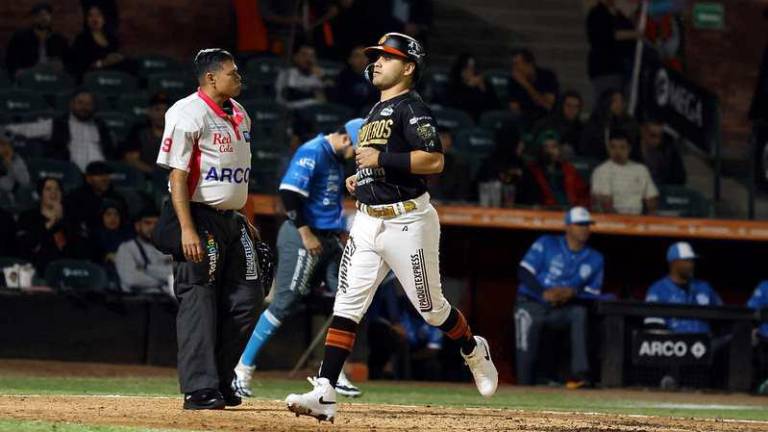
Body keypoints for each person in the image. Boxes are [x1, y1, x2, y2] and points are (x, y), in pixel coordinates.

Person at [285, 32, 498, 423]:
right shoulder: (373, 112)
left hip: (408, 222)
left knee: (432, 311)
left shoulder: (412, 108)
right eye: (376, 56)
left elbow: (434, 162)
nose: (377, 62)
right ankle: (325, 391)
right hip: (368, 219)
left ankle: (471, 348)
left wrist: (381, 162)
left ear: (409, 66)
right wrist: (361, 179)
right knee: (346, 305)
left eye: (388, 57)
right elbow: (377, 162)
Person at [150, 48, 264, 410]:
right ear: (211, 77)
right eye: (233, 72)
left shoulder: (241, 113)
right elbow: (178, 175)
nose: (239, 77)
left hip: (232, 219)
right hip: (197, 217)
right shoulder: (186, 112)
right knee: (198, 298)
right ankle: (200, 388)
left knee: (249, 299)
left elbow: (239, 173)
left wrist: (245, 216)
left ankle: (218, 376)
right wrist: (187, 229)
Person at [232, 118, 364, 399]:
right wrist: (306, 234)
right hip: (303, 236)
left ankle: (332, 373)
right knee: (285, 301)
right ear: (345, 139)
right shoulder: (313, 150)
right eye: (357, 148)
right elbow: (289, 194)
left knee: (349, 297)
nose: (358, 155)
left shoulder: (339, 160)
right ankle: (241, 369)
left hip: (328, 238)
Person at [515, 207, 603, 389]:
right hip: (532, 302)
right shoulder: (548, 243)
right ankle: (523, 385)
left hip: (562, 308)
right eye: (580, 224)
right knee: (526, 324)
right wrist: (543, 293)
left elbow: (593, 293)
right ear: (568, 226)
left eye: (587, 225)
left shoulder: (595, 258)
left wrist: (572, 293)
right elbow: (524, 271)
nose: (585, 228)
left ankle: (580, 375)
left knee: (579, 313)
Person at [4, 89, 115, 171]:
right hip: (69, 172)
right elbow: (24, 129)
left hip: (101, 174)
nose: (84, 107)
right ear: (72, 104)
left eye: (88, 104)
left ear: (94, 107)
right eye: (80, 103)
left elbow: (110, 151)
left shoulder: (101, 126)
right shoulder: (57, 124)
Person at [644, 242, 722, 333]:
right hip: (673, 344)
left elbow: (723, 316)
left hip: (705, 343)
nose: (691, 265)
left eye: (692, 261)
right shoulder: (658, 290)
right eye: (687, 261)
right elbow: (654, 327)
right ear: (674, 263)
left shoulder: (704, 287)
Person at [17, 177, 88, 271]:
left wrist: (63, 220)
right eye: (48, 189)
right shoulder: (28, 217)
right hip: (37, 270)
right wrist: (51, 222)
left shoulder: (72, 218)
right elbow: (26, 245)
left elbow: (80, 249)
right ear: (40, 194)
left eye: (57, 189)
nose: (53, 192)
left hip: (69, 269)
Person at [591, 129, 658, 215]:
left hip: (638, 220)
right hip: (612, 221)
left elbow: (651, 200)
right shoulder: (601, 171)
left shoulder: (641, 170)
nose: (617, 152)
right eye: (613, 147)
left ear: (629, 148)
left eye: (622, 147)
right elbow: (605, 205)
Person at [517, 130, 589, 209]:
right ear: (539, 150)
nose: (550, 151)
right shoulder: (531, 172)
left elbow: (583, 196)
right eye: (546, 147)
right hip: (546, 214)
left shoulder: (570, 170)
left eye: (554, 147)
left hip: (571, 212)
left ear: (559, 149)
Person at [585, 0, 640, 102]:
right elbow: (608, 35)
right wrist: (635, 34)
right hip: (604, 67)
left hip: (621, 67)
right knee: (607, 102)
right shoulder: (597, 13)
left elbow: (630, 26)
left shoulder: (617, 14)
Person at [115, 207, 173, 294]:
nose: (153, 227)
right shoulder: (126, 248)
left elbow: (177, 275)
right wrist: (165, 281)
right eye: (147, 223)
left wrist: (145, 269)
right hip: (138, 301)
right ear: (137, 226)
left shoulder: (169, 246)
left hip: (168, 299)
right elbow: (131, 279)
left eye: (156, 224)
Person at [4, 2, 69, 77]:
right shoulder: (20, 37)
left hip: (52, 77)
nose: (43, 18)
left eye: (46, 14)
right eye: (39, 15)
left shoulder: (60, 39)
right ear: (33, 18)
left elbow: (68, 62)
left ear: (50, 17)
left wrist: (62, 67)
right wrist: (17, 72)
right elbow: (10, 60)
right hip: (28, 77)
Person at [65, 161, 128, 239]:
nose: (104, 178)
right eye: (99, 175)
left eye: (107, 174)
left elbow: (124, 224)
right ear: (88, 178)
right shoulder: (75, 197)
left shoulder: (117, 199)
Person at [67, 5, 126, 80]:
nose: (94, 19)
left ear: (104, 19)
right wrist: (103, 63)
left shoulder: (112, 39)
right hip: (92, 78)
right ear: (87, 20)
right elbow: (80, 66)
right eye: (90, 16)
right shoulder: (81, 39)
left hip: (113, 76)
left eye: (98, 15)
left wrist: (118, 58)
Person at [579, 89, 639, 161]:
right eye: (615, 101)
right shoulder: (594, 123)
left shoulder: (629, 123)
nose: (619, 104)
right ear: (606, 102)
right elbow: (585, 147)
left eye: (621, 100)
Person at [506, 49, 559, 126]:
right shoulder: (514, 81)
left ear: (529, 64)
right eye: (513, 65)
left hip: (545, 116)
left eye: (517, 64)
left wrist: (526, 85)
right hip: (523, 116)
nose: (514, 68)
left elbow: (548, 105)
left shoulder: (547, 76)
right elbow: (514, 107)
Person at [122, 92, 170, 174]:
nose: (162, 114)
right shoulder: (139, 132)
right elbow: (131, 159)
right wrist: (154, 173)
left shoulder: (176, 133)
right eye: (157, 110)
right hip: (144, 177)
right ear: (149, 112)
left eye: (165, 110)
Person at [445, 53, 498, 120]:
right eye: (466, 68)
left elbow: (495, 107)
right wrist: (468, 87)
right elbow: (453, 106)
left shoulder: (484, 84)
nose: (470, 72)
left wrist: (483, 89)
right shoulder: (454, 85)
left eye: (472, 68)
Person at [426, 128, 473, 203]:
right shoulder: (417, 161)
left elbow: (461, 195)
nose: (446, 142)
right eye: (443, 137)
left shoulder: (458, 165)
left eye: (449, 138)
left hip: (448, 206)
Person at [532, 91, 585, 157]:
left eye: (576, 107)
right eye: (568, 105)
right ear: (561, 106)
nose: (572, 109)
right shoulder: (547, 123)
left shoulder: (581, 128)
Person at [275, 44, 327, 110]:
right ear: (296, 57)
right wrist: (315, 93)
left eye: (311, 56)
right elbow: (290, 95)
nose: (308, 59)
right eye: (304, 55)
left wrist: (323, 77)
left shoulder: (320, 74)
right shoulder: (287, 74)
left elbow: (329, 95)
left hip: (317, 113)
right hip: (293, 113)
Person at [333, 46, 379, 114]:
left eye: (364, 56)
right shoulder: (343, 77)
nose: (362, 59)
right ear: (350, 60)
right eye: (357, 56)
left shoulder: (375, 76)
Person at [640, 119, 686, 186]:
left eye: (660, 136)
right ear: (643, 132)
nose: (657, 141)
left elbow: (680, 178)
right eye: (653, 135)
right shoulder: (631, 150)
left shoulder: (669, 150)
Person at [0, 134, 31, 204]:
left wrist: (11, 163)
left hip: (12, 195)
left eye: (4, 144)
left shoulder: (16, 160)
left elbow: (24, 181)